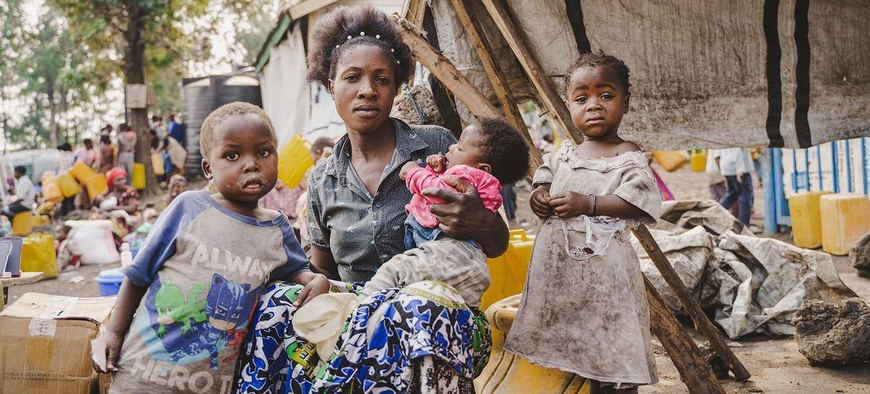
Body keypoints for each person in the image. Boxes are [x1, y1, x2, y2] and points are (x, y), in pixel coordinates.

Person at [236, 6, 509, 393]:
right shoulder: (322, 180)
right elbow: (322, 270)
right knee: (274, 304)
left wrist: (480, 220)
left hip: (438, 314)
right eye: (352, 78)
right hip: (357, 312)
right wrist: (308, 284)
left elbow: (496, 245)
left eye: (381, 78)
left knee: (411, 308)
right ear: (331, 86)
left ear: (395, 87)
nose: (367, 89)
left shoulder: (438, 146)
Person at [93, 102, 329, 392]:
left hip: (212, 384)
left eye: (263, 152)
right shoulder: (189, 207)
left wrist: (318, 280)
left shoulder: (277, 229)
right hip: (142, 376)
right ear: (208, 168)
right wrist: (113, 334)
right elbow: (138, 275)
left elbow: (302, 274)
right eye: (232, 155)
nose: (251, 163)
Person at [504, 51, 662, 393]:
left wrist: (587, 203)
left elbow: (638, 201)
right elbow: (542, 180)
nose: (594, 105)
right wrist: (540, 197)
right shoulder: (566, 153)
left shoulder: (626, 154)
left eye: (606, 96)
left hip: (607, 279)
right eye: (582, 98)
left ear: (626, 102)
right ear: (569, 104)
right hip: (565, 280)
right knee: (581, 350)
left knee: (613, 354)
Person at [360, 117, 529, 306]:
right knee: (456, 308)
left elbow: (440, 193)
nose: (450, 148)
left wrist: (414, 173)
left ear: (483, 168)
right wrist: (436, 171)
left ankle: (357, 311)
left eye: (459, 147)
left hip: (450, 253)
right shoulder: (477, 177)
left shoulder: (465, 171)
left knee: (393, 271)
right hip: (458, 262)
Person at [718, 147, 754, 226]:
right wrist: (740, 170)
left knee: (731, 196)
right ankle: (743, 226)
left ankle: (714, 214)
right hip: (737, 168)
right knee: (745, 198)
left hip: (727, 168)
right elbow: (738, 150)